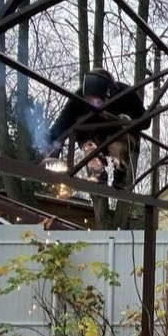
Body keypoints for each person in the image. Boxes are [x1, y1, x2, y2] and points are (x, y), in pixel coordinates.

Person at [44, 68, 147, 226]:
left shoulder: (126, 94)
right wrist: (51, 152)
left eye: (98, 102)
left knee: (120, 139)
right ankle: (98, 172)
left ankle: (120, 171)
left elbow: (146, 121)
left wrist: (128, 120)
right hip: (93, 136)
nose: (95, 105)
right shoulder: (78, 98)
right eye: (90, 101)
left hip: (118, 135)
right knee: (88, 144)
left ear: (109, 94)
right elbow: (61, 123)